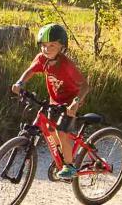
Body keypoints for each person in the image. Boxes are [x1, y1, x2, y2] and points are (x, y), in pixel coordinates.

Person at [9, 22, 93, 181]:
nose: (46, 49)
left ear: (62, 47)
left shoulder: (66, 65)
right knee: (48, 127)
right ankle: (62, 153)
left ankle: (70, 166)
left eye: (52, 45)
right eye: (44, 45)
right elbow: (31, 70)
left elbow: (85, 86)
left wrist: (75, 102)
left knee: (61, 131)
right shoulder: (42, 58)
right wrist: (20, 83)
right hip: (54, 100)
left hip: (70, 102)